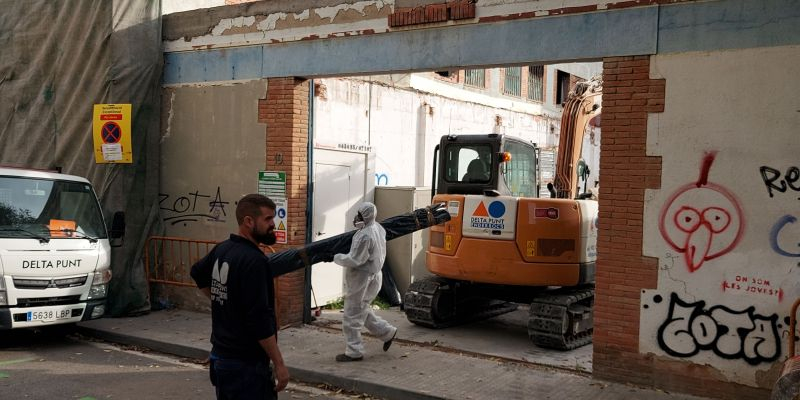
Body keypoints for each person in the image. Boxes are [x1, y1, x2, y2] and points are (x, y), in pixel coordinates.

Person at [190, 194, 288, 399]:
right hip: (245, 366)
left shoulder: (223, 249)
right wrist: (279, 364)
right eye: (268, 219)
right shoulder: (255, 262)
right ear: (248, 222)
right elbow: (259, 320)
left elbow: (197, 273)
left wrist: (224, 302)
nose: (273, 224)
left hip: (223, 359)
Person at [331, 202, 398, 362]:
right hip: (374, 275)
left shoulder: (364, 235)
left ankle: (354, 351)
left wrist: (336, 256)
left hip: (362, 278)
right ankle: (387, 332)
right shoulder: (378, 228)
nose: (357, 218)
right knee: (362, 309)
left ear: (366, 216)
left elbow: (355, 259)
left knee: (351, 314)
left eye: (360, 215)